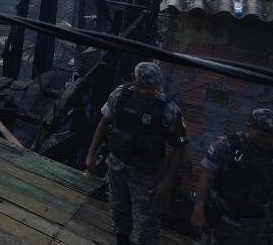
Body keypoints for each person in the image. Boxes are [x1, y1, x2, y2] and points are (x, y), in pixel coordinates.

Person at [84, 62, 187, 245]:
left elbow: (179, 146)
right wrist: (91, 154)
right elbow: (103, 123)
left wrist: (167, 182)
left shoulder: (168, 109)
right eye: (141, 87)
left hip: (147, 173)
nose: (146, 92)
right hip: (117, 165)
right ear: (133, 79)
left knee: (146, 225)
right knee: (119, 212)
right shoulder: (120, 95)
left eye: (150, 88)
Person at [191, 108, 273, 244]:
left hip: (259, 225)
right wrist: (198, 209)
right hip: (222, 220)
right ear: (248, 127)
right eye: (262, 135)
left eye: (271, 136)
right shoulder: (227, 145)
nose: (267, 141)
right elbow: (206, 178)